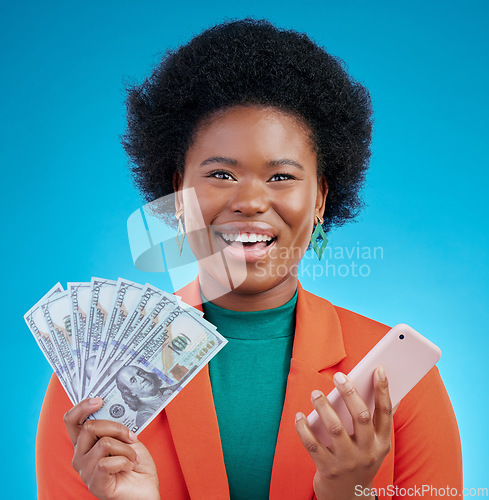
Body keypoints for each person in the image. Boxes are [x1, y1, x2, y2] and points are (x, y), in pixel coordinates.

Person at [37, 18, 462, 499]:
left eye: (281, 177)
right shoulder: (93, 381)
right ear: (179, 193)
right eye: (220, 174)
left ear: (321, 197)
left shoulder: (398, 381)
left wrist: (350, 493)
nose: (251, 202)